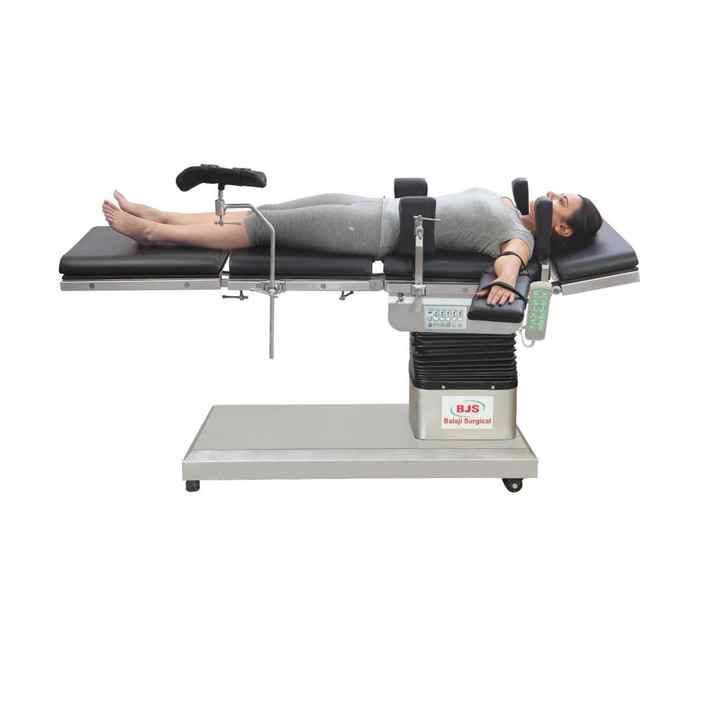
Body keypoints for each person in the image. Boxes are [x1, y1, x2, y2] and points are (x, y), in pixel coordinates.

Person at [102, 187, 602, 306]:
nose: (553, 194)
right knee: (265, 211)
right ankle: (161, 215)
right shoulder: (511, 209)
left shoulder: (521, 237)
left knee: (260, 229)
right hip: (372, 207)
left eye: (562, 202)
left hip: (367, 233)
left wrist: (506, 284)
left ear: (561, 229)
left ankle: (154, 234)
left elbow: (511, 261)